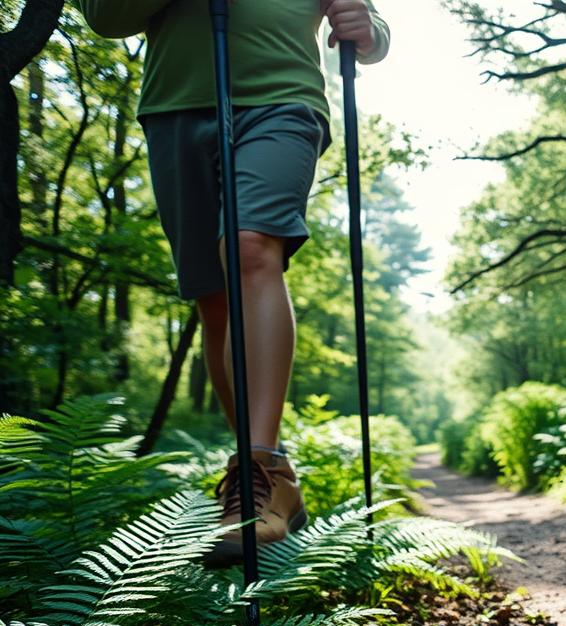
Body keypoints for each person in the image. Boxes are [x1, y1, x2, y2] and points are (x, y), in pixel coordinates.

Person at [75, 0, 390, 564]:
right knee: (214, 302)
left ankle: (258, 464)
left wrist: (369, 31)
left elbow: (366, 21)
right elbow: (104, 16)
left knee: (248, 249)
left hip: (281, 98)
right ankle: (275, 482)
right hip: (177, 105)